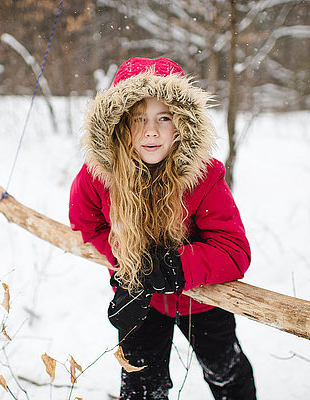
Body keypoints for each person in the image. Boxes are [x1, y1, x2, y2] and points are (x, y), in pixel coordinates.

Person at [69, 57, 256, 400]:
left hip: (203, 301)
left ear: (182, 124)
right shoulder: (97, 177)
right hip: (141, 300)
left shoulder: (203, 177)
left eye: (164, 118)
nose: (151, 131)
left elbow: (234, 252)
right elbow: (88, 224)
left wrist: (176, 266)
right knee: (141, 386)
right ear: (120, 125)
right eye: (138, 119)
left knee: (226, 372)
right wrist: (129, 262)